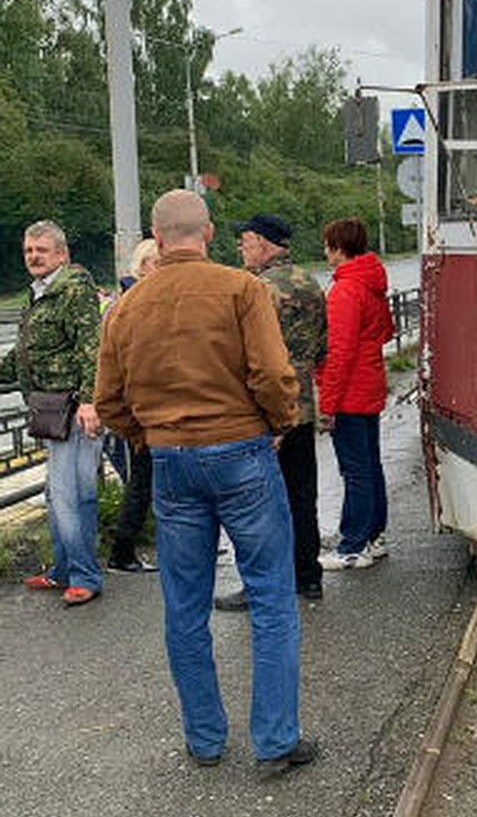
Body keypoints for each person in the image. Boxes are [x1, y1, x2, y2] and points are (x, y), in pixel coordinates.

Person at [95, 189, 317, 775]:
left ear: (158, 237)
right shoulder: (242, 289)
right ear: (210, 233)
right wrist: (278, 423)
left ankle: (204, 739)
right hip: (242, 451)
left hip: (171, 462)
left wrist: (147, 438)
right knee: (271, 595)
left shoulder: (127, 306)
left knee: (185, 605)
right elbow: (273, 372)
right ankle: (275, 742)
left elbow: (109, 402)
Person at [216, 213, 328, 609]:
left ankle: (262, 587)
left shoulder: (255, 289)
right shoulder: (310, 282)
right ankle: (309, 577)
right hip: (303, 405)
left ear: (263, 243)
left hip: (267, 410)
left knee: (259, 504)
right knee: (302, 496)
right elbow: (322, 349)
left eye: (244, 241)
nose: (240, 249)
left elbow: (247, 354)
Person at [0, 220, 104, 606]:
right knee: (69, 494)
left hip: (73, 409)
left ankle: (84, 576)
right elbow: (26, 355)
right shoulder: (40, 293)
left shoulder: (72, 291)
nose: (33, 256)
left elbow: (91, 347)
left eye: (41, 250)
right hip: (51, 408)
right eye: (28, 250)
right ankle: (65, 569)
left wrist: (91, 401)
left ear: (62, 254)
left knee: (66, 496)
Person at [316, 218, 395, 571]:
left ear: (337, 248)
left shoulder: (345, 291)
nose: (325, 253)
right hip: (370, 384)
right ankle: (375, 535)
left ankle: (352, 544)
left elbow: (339, 352)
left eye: (327, 245)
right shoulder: (372, 282)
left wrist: (327, 403)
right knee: (370, 465)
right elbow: (386, 331)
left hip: (349, 392)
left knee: (355, 470)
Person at [107, 238, 160, 574]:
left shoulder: (136, 300)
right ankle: (122, 551)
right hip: (141, 408)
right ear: (142, 267)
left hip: (145, 405)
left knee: (149, 480)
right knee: (143, 481)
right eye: (157, 262)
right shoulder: (132, 305)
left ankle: (125, 549)